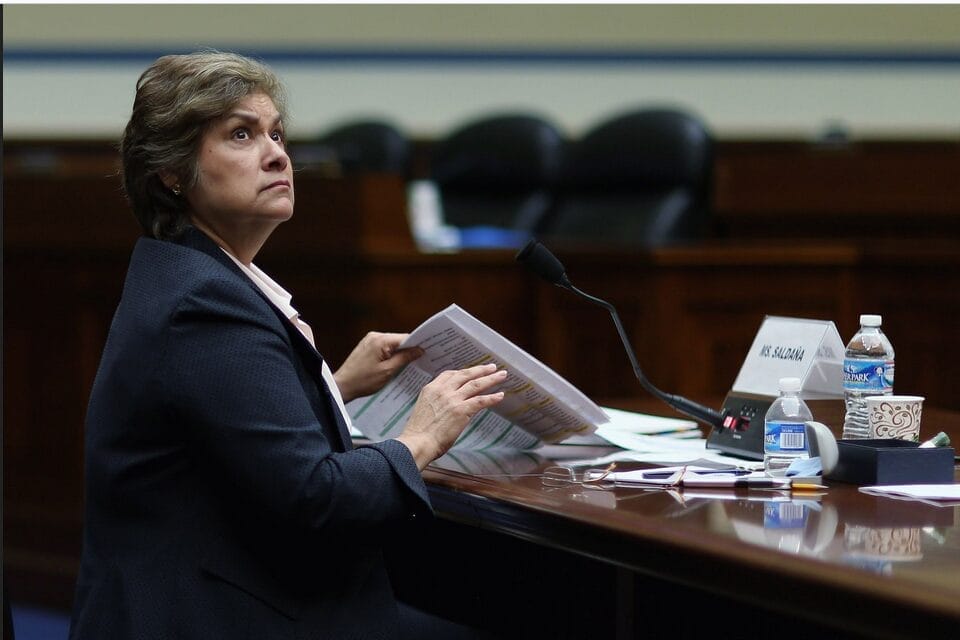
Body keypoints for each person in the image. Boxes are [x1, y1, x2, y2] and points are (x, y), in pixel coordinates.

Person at [68, 51, 506, 639]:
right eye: (241, 135)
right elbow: (318, 499)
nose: (277, 154)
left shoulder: (182, 274)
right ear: (171, 174)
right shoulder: (205, 305)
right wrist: (423, 433)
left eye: (276, 133)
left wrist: (336, 385)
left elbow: (218, 429)